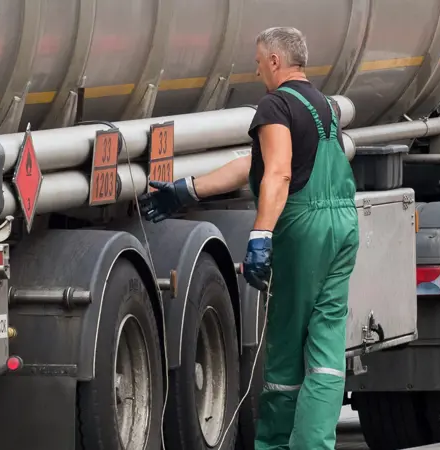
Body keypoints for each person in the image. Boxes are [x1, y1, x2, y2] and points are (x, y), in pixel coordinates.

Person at [137, 26, 360, 450]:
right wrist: (189, 189)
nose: (257, 70)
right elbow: (252, 164)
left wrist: (261, 234)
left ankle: (276, 444)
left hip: (303, 229)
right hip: (342, 227)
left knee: (285, 349)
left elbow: (277, 172)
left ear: (275, 61)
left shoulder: (274, 105)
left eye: (259, 62)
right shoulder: (325, 106)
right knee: (327, 351)